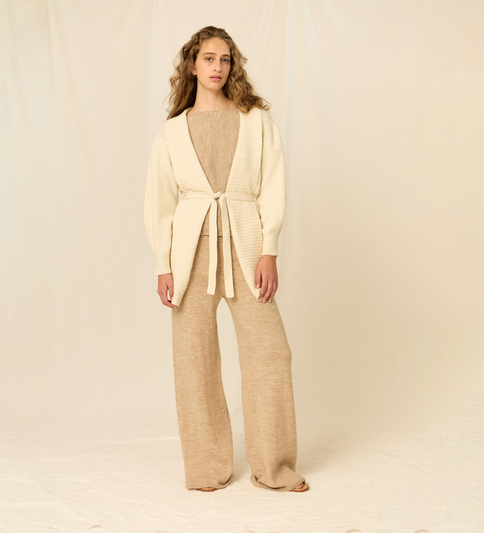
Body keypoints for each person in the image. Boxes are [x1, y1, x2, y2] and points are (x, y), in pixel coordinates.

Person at [144, 25, 309, 493]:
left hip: (246, 245)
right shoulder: (172, 132)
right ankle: (207, 468)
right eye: (209, 58)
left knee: (270, 353)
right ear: (192, 65)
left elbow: (272, 186)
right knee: (193, 360)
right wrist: (163, 264)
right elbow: (160, 203)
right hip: (189, 252)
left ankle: (274, 468)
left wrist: (269, 249)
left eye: (225, 59)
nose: (218, 67)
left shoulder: (256, 122)